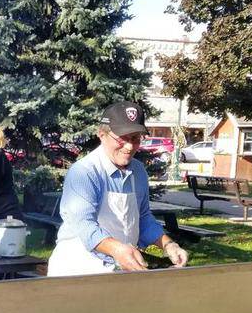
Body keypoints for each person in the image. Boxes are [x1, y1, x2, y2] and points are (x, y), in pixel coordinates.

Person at [47, 101, 188, 276]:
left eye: (135, 138)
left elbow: (143, 218)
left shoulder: (138, 172)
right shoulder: (84, 172)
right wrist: (118, 250)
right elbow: (84, 225)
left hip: (120, 271)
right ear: (102, 134)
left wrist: (168, 245)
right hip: (77, 271)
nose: (129, 146)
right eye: (123, 138)